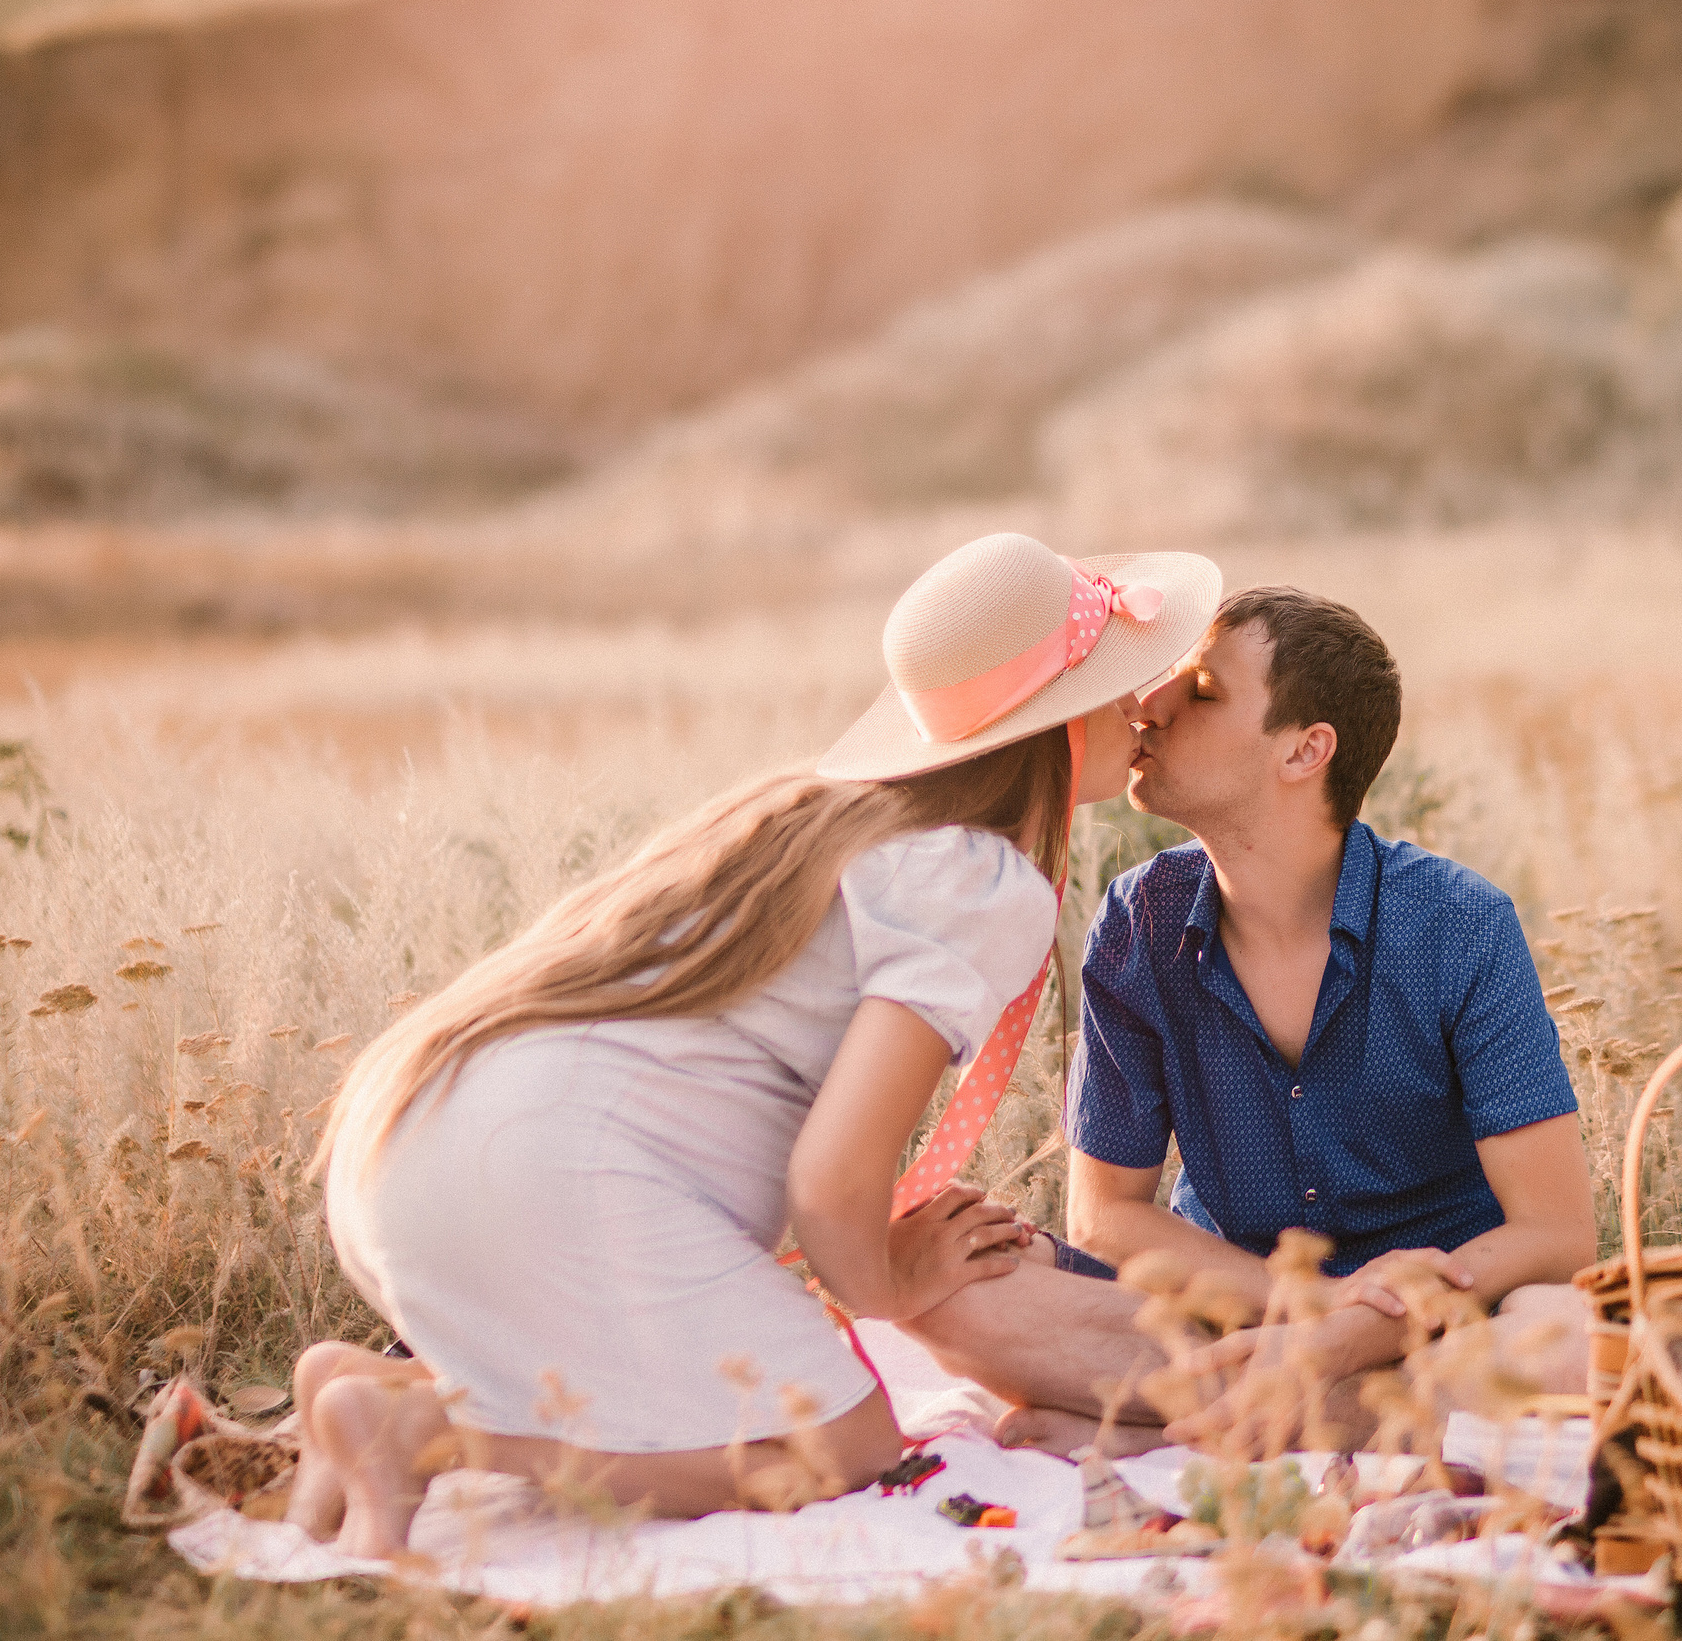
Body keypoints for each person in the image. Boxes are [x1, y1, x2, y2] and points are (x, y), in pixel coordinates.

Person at [282, 532, 1221, 1557]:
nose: (1147, 705)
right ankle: (428, 1430)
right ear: (1050, 723)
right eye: (1120, 682)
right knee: (844, 1443)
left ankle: (373, 1387)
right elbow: (830, 1178)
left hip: (408, 1152)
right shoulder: (973, 882)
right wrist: (888, 1284)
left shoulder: (813, 814)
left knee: (692, 1393)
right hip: (557, 1180)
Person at [963, 586, 1599, 1450]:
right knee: (951, 1272)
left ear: (1306, 750)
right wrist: (1308, 1305)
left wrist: (1348, 1334)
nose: (1148, 708)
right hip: (1235, 1315)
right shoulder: (1136, 922)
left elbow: (1557, 1232)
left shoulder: (1458, 925)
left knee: (1568, 1338)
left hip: (1432, 1323)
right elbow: (1104, 1215)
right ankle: (1316, 1419)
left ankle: (1201, 1424)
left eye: (1203, 691)